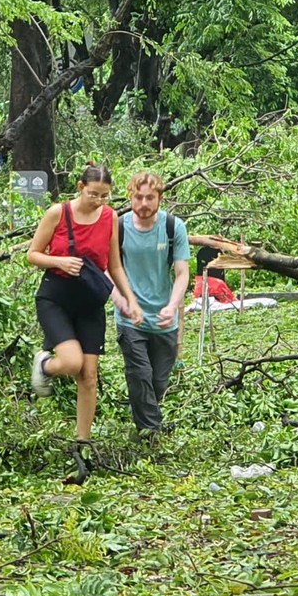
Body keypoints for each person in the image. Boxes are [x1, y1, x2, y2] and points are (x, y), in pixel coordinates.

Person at [26, 164, 140, 483]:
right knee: (73, 362)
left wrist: (129, 299)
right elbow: (33, 255)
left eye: (105, 196)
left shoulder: (110, 218)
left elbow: (114, 265)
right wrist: (59, 260)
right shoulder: (57, 213)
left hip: (90, 299)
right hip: (56, 297)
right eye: (93, 195)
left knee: (89, 375)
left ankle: (82, 444)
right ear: (80, 187)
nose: (99, 201)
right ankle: (46, 364)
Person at [113, 171, 191, 437]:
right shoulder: (118, 227)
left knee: (158, 382)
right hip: (130, 318)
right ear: (130, 197)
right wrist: (120, 299)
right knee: (140, 374)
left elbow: (182, 273)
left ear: (160, 198)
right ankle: (150, 434)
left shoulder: (173, 227)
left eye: (150, 198)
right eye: (138, 197)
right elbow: (107, 269)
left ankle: (145, 417)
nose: (144, 204)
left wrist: (172, 306)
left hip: (163, 319)